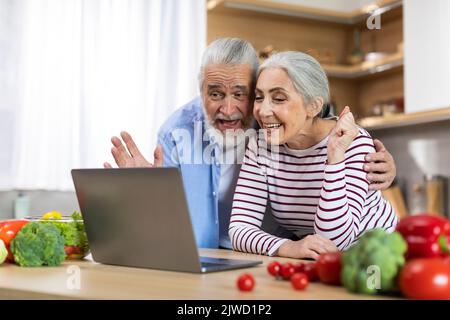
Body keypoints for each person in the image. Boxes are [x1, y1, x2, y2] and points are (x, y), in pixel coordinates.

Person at [104, 38, 397, 249]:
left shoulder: (291, 129)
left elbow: (334, 240)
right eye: (215, 93)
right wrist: (148, 194)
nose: (230, 109)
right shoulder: (183, 132)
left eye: (242, 94)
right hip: (264, 254)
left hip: (371, 254)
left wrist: (344, 159)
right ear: (200, 91)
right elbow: (236, 228)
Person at [229, 51, 398, 259]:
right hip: (321, 261)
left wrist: (334, 159)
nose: (263, 111)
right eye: (259, 97)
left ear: (314, 106)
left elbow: (335, 241)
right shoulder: (261, 145)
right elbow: (239, 229)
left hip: (377, 255)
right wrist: (289, 247)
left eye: (279, 98)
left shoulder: (352, 142)